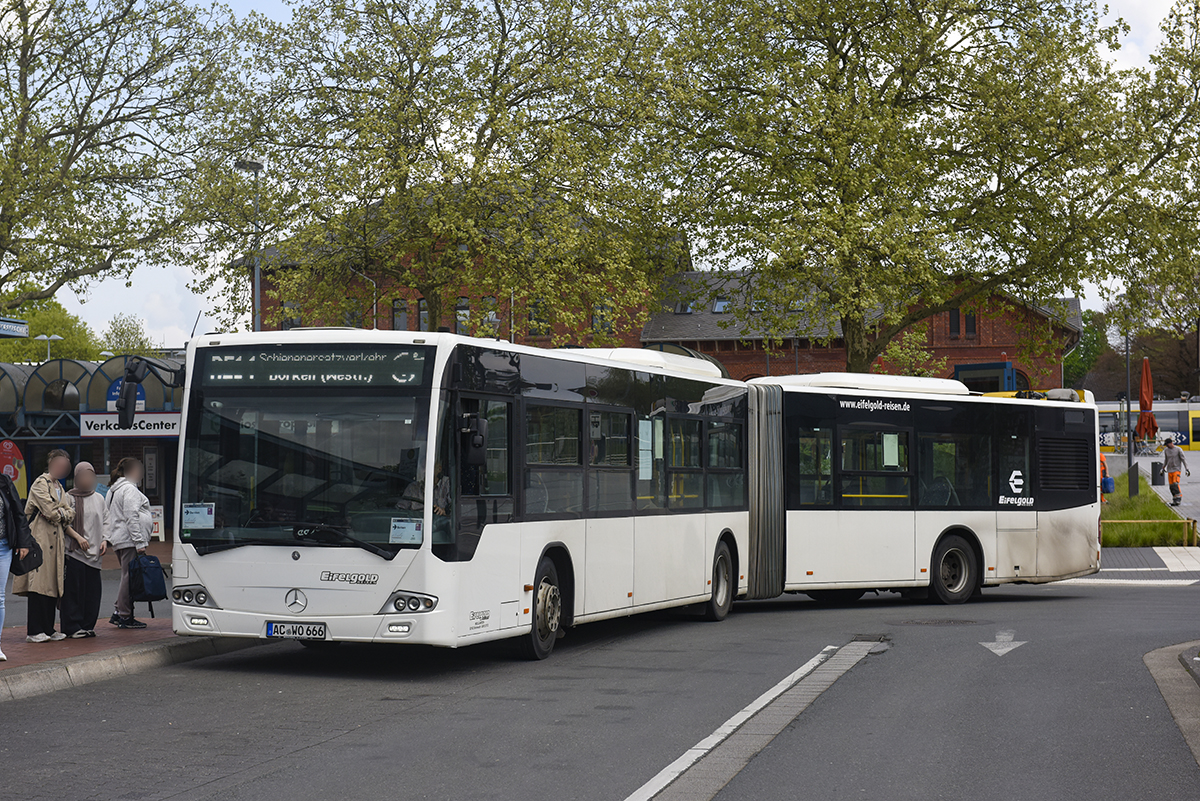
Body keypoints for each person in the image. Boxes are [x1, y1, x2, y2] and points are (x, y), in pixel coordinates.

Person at [13, 450, 78, 642]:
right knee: (38, 586)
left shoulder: (60, 486)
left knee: (52, 586)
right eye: (59, 464)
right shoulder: (41, 483)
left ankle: (49, 629)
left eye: (65, 465)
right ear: (50, 463)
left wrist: (62, 513)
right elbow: (51, 512)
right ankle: (34, 631)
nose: (62, 468)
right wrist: (62, 513)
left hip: (55, 543)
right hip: (39, 540)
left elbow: (70, 513)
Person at [104, 457, 152, 629]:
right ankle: (124, 615)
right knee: (129, 578)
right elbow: (131, 516)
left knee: (127, 576)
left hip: (119, 538)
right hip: (129, 540)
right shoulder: (129, 489)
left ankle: (119, 611)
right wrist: (139, 542)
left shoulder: (113, 490)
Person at [62, 462, 109, 638]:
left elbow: (106, 520)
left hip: (94, 552)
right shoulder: (69, 498)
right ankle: (72, 627)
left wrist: (105, 540)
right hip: (74, 551)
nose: (87, 479)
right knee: (74, 592)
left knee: (92, 592)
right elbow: (63, 522)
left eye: (90, 476)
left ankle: (88, 625)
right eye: (83, 476)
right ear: (76, 478)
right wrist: (78, 538)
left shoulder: (99, 498)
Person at [0, 466, 35, 660]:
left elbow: (17, 512)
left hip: (3, 546)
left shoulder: (4, 481)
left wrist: (23, 542)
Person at [1162, 437, 1191, 507]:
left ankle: (1179, 498)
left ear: (1171, 443)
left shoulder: (1178, 449)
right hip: (1169, 470)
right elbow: (1166, 460)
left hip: (1176, 469)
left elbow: (1183, 459)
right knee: (1171, 486)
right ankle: (1175, 499)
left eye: (1167, 444)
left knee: (1175, 484)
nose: (1167, 446)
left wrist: (1187, 469)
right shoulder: (1166, 450)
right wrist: (1163, 468)